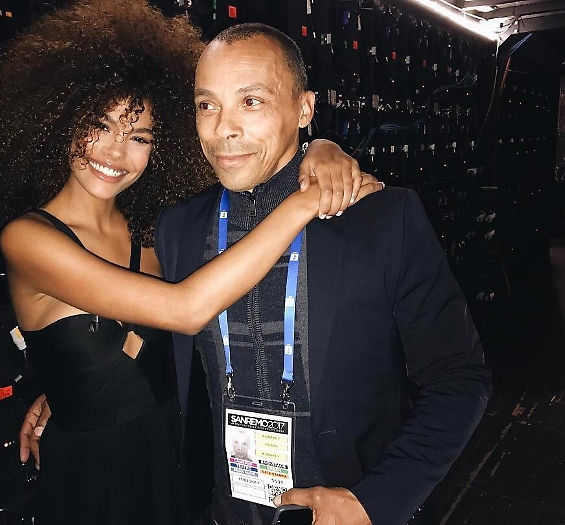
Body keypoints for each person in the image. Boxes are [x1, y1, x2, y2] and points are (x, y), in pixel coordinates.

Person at [0, 2, 383, 524]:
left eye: (140, 137)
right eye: (99, 125)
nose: (116, 152)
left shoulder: (157, 233)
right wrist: (307, 201)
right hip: (93, 476)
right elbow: (186, 310)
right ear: (61, 118)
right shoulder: (28, 239)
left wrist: (320, 148)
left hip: (174, 461)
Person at [153, 23, 493, 525]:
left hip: (345, 507)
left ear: (304, 109)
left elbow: (458, 378)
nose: (223, 129)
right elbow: (161, 350)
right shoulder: (178, 228)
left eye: (251, 101)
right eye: (207, 105)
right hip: (222, 510)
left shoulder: (383, 218)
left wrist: (374, 502)